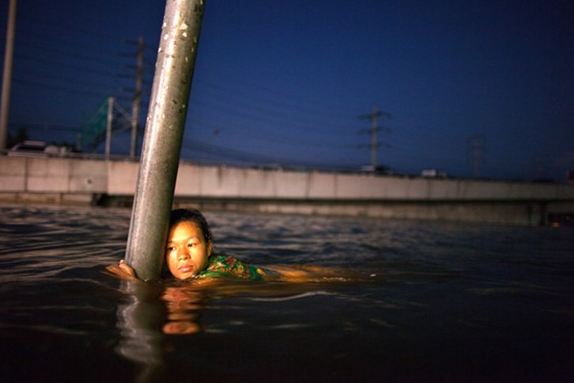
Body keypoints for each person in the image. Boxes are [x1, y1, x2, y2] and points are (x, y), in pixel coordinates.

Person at [107, 208, 269, 282]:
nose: (183, 255)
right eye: (171, 248)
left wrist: (132, 283)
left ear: (209, 247)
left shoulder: (213, 276)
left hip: (274, 278)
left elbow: (192, 292)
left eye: (191, 244)